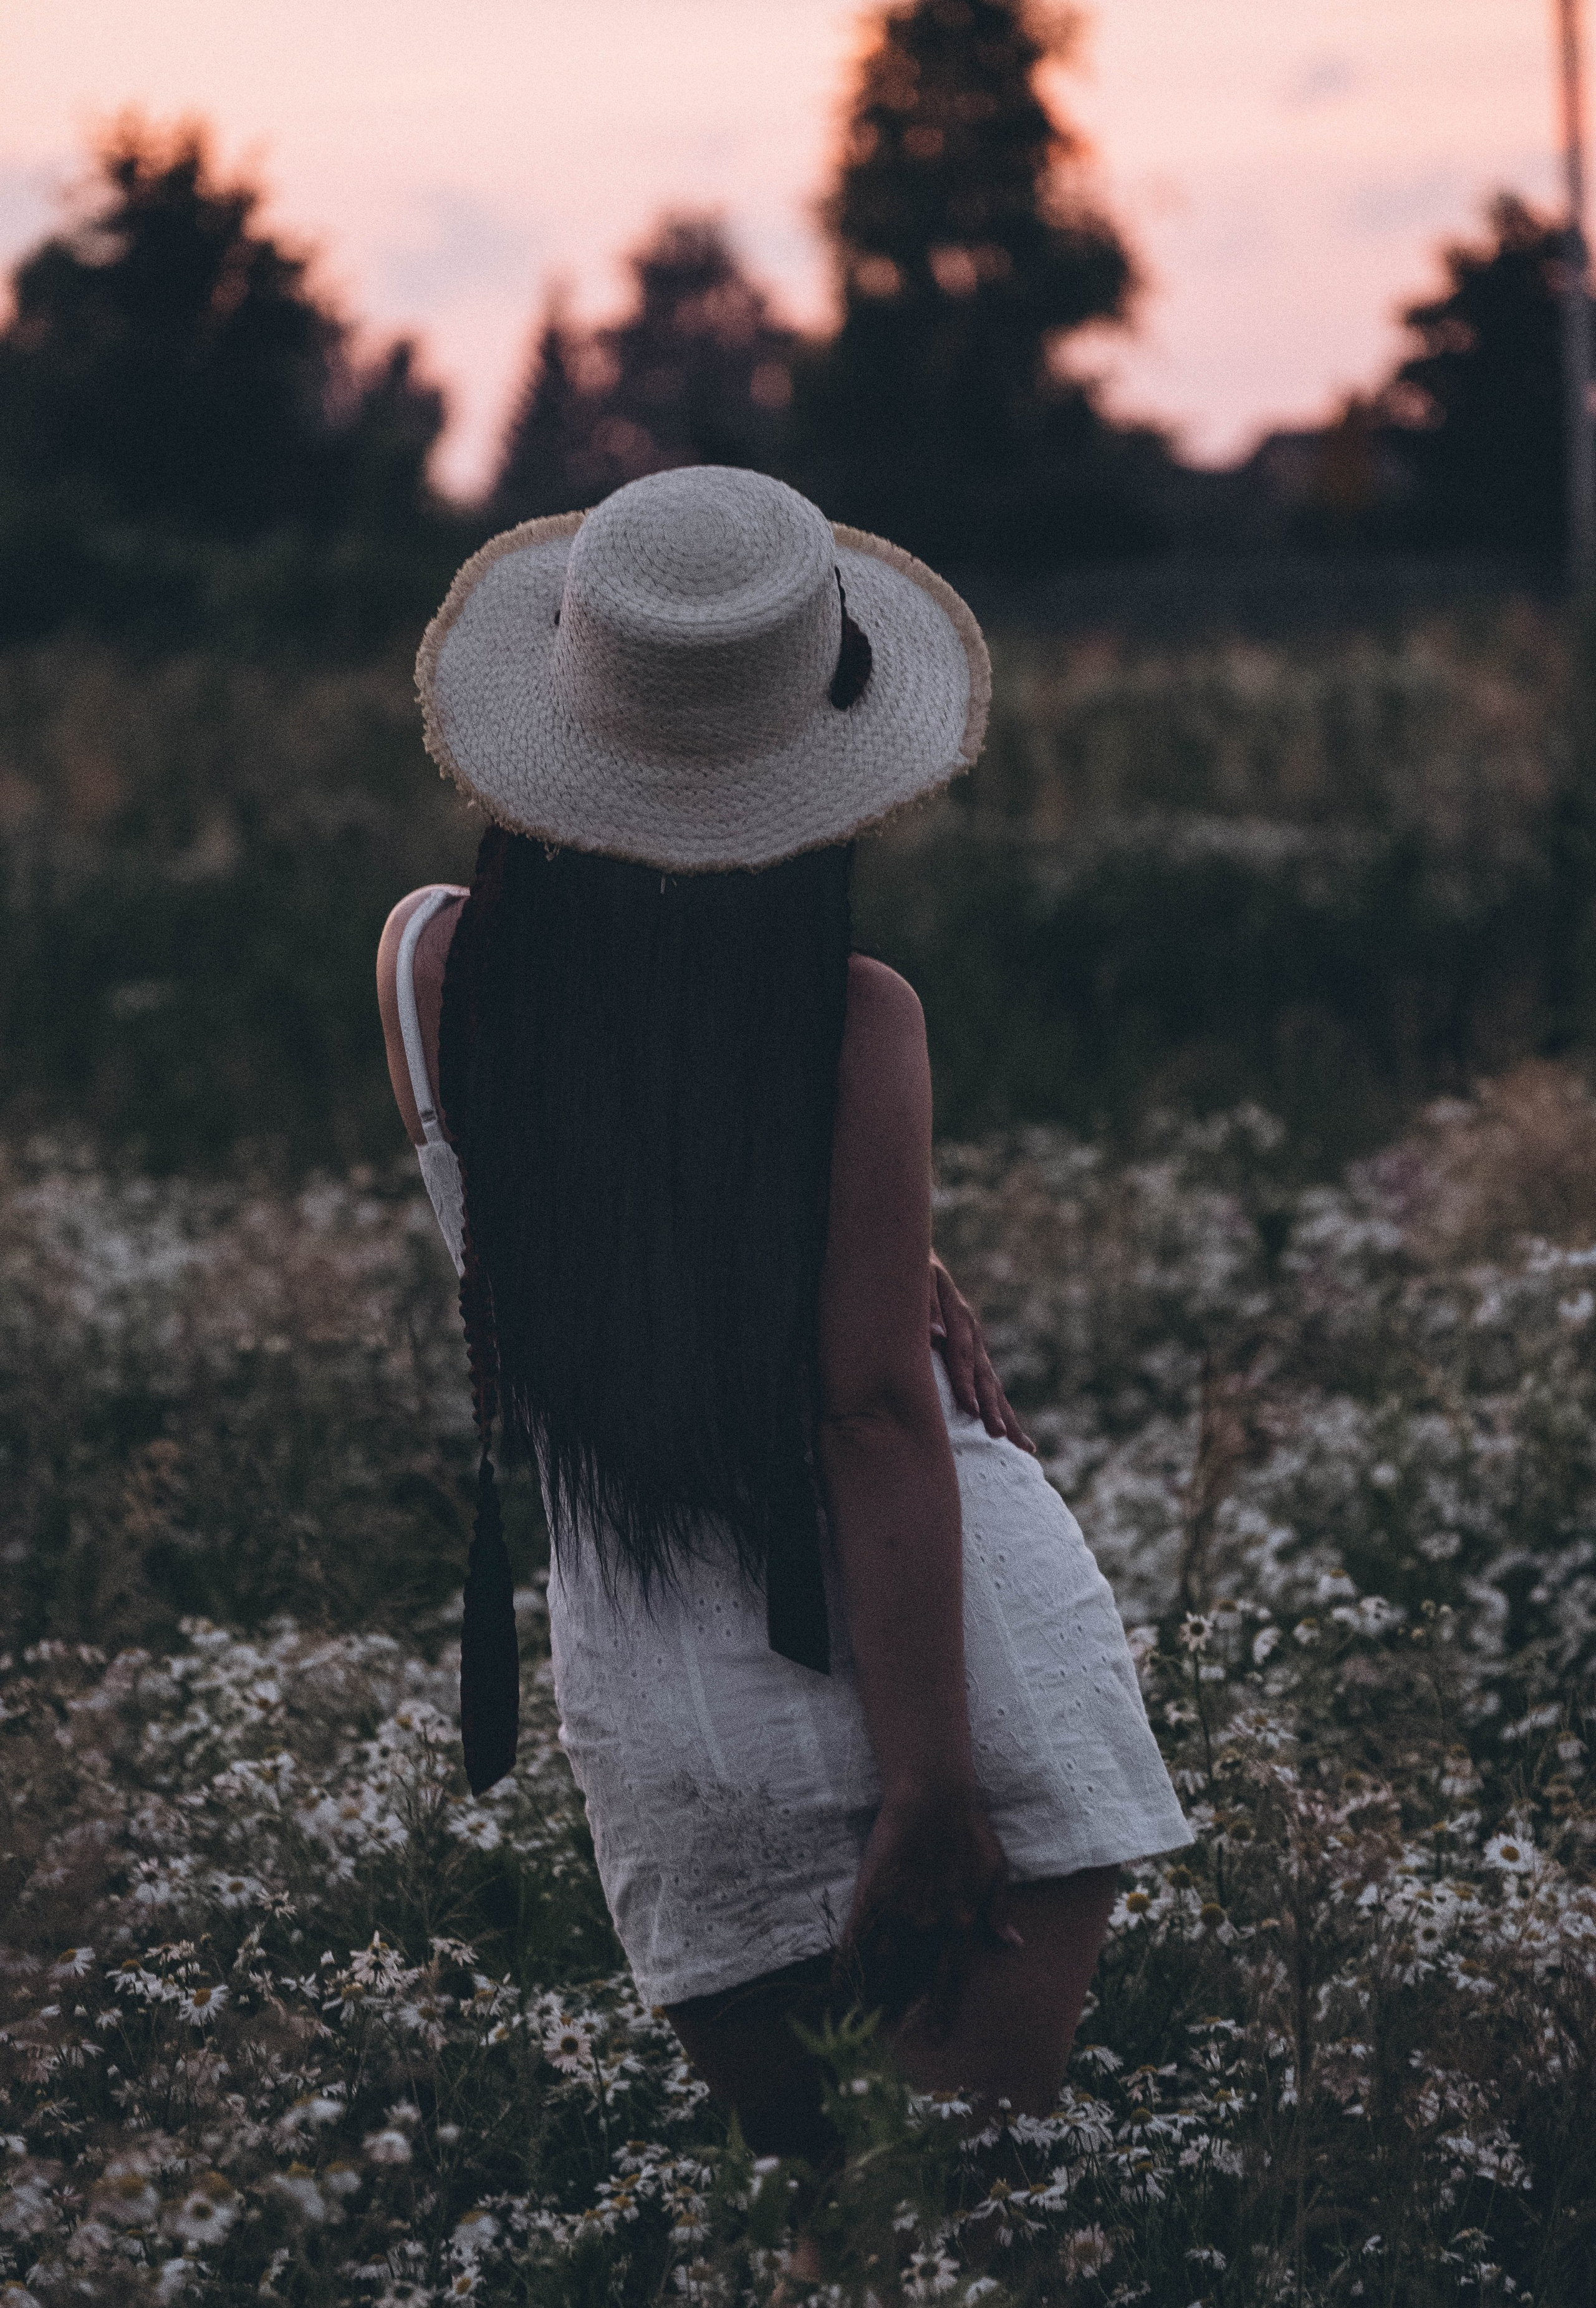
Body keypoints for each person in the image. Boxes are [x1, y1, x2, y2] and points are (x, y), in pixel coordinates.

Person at [377, 466, 1190, 2177]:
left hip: (665, 1704)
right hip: (949, 1677)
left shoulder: (437, 970)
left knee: (833, 2252)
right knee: (945, 2262)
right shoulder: (844, 1021)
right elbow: (873, 1418)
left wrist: (903, 1261)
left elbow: (630, 1208)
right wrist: (933, 1789)